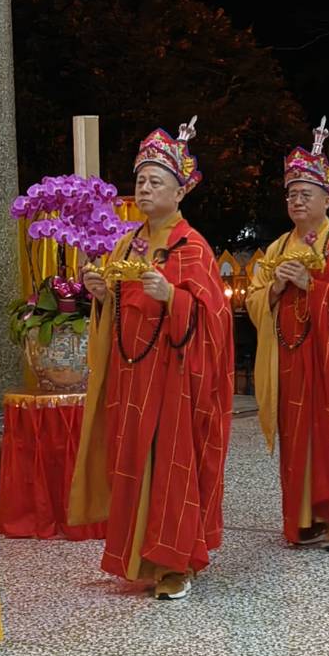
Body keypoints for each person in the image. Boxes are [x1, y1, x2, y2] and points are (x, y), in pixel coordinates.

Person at [69, 120, 234, 600]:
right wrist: (103, 296)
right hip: (133, 380)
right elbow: (121, 312)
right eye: (140, 179)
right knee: (135, 467)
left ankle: (176, 564)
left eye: (155, 181)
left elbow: (216, 319)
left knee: (172, 468)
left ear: (179, 193)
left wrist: (173, 298)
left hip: (175, 382)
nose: (143, 188)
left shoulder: (192, 248)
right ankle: (142, 557)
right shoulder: (128, 245)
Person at [246, 119, 329, 551]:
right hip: (290, 362)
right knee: (298, 440)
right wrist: (275, 288)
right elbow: (253, 298)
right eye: (291, 194)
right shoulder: (278, 248)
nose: (297, 201)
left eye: (306, 194)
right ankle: (303, 518)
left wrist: (312, 286)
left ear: (327, 199)